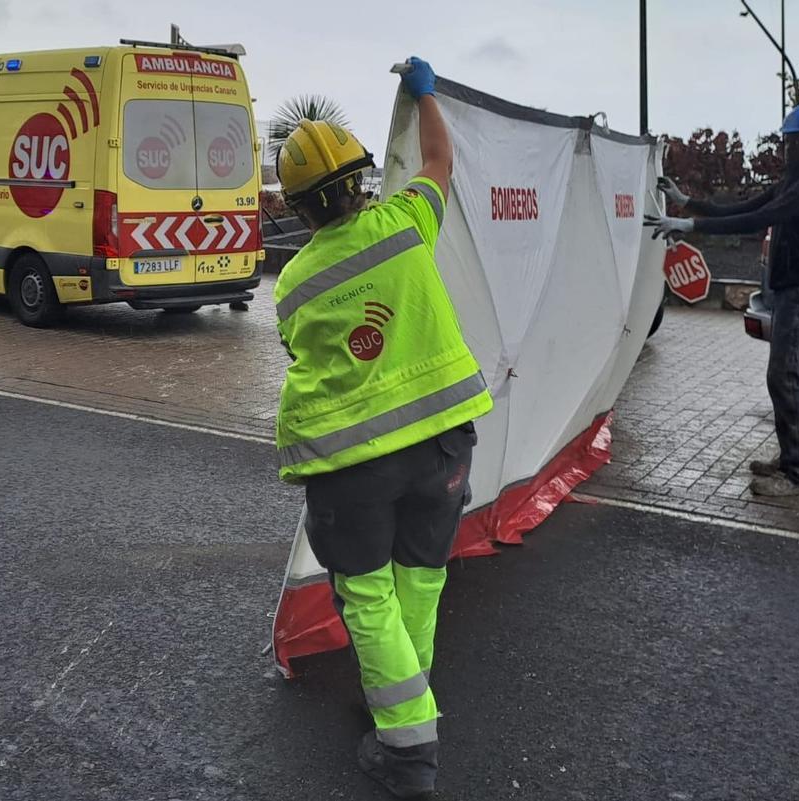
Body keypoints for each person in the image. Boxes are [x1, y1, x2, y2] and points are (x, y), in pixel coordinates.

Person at [273, 57, 493, 798]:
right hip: (442, 447)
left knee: (367, 596)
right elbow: (440, 159)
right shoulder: (406, 223)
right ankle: (407, 699)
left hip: (353, 464)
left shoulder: (296, 282)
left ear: (298, 208)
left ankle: (407, 747)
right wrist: (426, 93)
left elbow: (303, 354)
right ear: (362, 180)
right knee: (420, 581)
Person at [646, 104, 799, 498]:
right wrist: (688, 202)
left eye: (792, 143)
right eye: (786, 143)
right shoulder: (793, 183)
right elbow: (743, 207)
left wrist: (690, 225)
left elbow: (752, 221)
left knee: (788, 376)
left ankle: (797, 473)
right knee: (782, 376)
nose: (787, 150)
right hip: (788, 291)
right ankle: (789, 459)